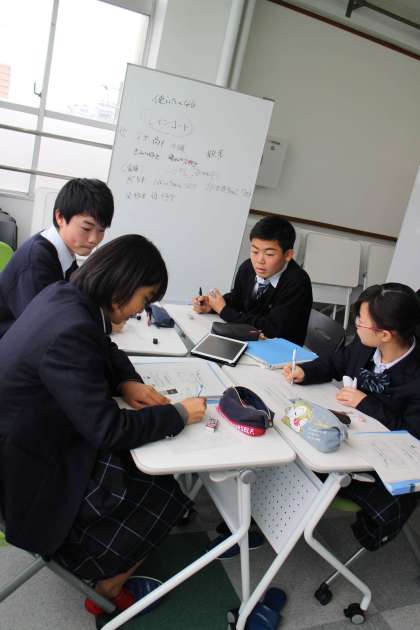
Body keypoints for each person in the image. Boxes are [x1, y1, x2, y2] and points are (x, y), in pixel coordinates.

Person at [0, 234, 206, 617]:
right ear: (122, 286)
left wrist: (127, 382)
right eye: (145, 298)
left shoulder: (65, 296)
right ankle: (107, 589)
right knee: (163, 494)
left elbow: (104, 347)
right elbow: (108, 430)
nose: (142, 310)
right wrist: (178, 415)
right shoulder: (72, 328)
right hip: (23, 472)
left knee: (144, 469)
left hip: (30, 437)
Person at [283, 283, 420, 551]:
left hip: (382, 458)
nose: (355, 325)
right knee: (291, 437)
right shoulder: (366, 344)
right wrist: (306, 372)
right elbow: (336, 362)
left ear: (385, 335)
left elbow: (412, 433)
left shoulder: (415, 377)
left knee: (301, 457)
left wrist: (365, 402)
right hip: (346, 434)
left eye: (361, 322)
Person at [0, 178, 114, 338]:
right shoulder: (35, 262)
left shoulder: (63, 251)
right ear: (60, 217)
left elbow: (76, 298)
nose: (94, 239)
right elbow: (47, 326)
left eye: (101, 230)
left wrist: (105, 316)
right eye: (86, 228)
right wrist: (105, 324)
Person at [192, 216, 312, 344]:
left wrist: (224, 311)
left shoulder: (298, 282)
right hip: (248, 341)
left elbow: (272, 329)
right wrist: (212, 306)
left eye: (269, 254)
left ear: (288, 255)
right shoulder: (248, 267)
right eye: (255, 251)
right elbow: (238, 299)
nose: (259, 260)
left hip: (279, 350)